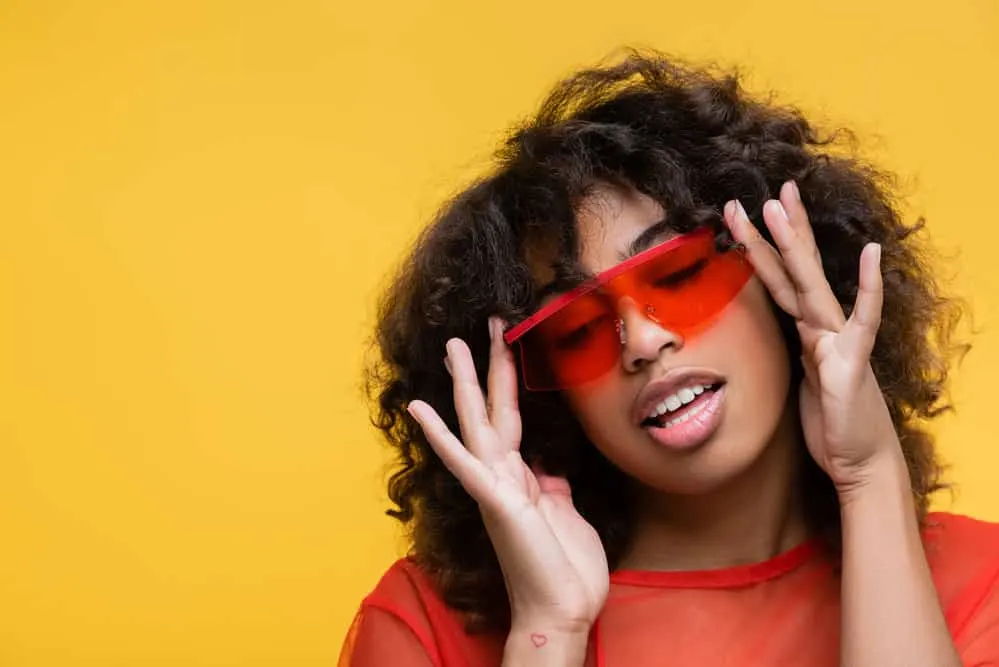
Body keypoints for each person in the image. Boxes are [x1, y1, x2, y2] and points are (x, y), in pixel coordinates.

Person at [338, 51, 999, 666]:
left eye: (680, 277)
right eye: (576, 329)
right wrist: (549, 629)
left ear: (785, 275)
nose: (643, 341)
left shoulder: (978, 585)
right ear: (544, 397)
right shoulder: (425, 626)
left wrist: (870, 477)